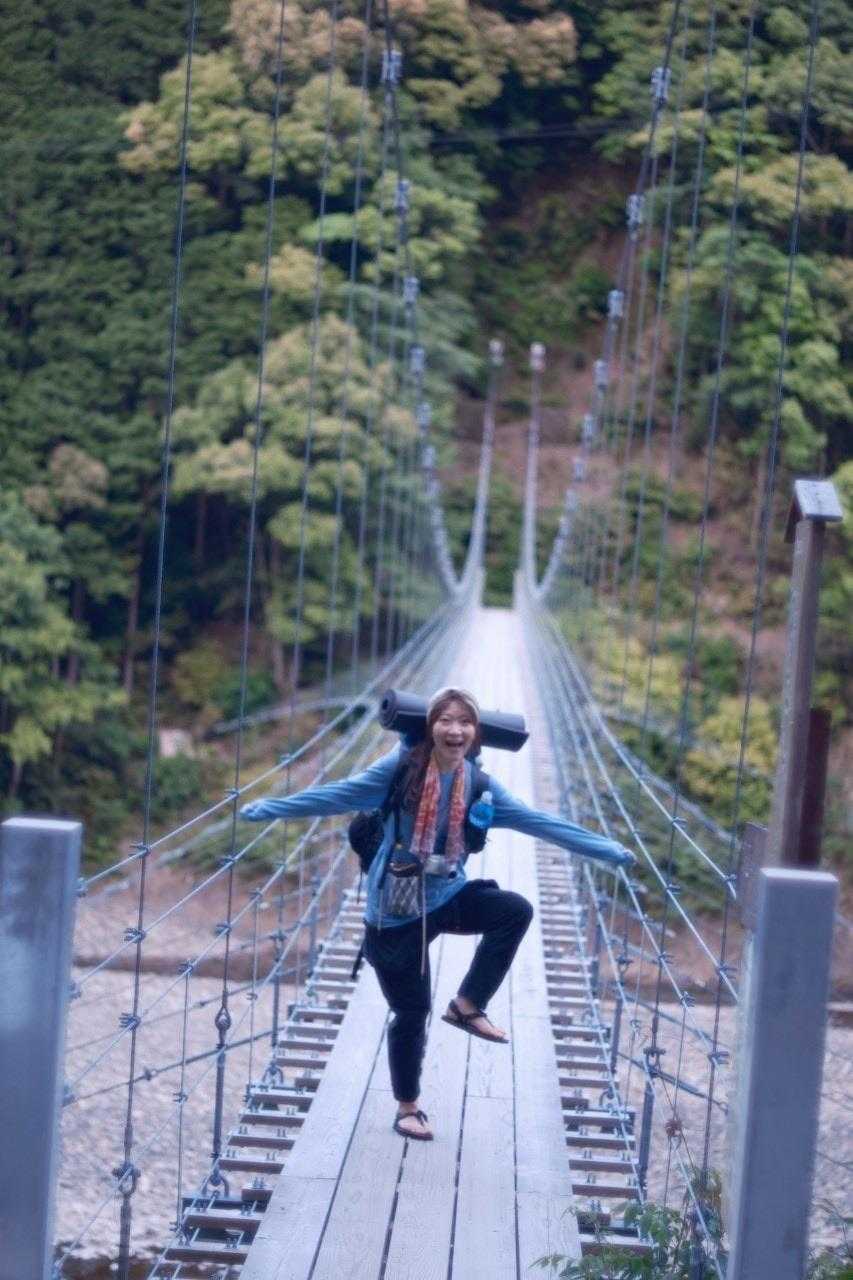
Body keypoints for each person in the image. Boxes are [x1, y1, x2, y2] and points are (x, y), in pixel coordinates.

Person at [240, 686, 634, 1142]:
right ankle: (408, 1108)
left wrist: (607, 850)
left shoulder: (479, 786)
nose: (455, 730)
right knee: (411, 1011)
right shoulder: (398, 771)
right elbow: (336, 796)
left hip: (446, 896)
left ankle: (467, 1005)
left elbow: (539, 822)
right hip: (395, 913)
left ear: (476, 733)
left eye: (465, 721)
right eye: (445, 720)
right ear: (429, 727)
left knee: (513, 911)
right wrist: (266, 809)